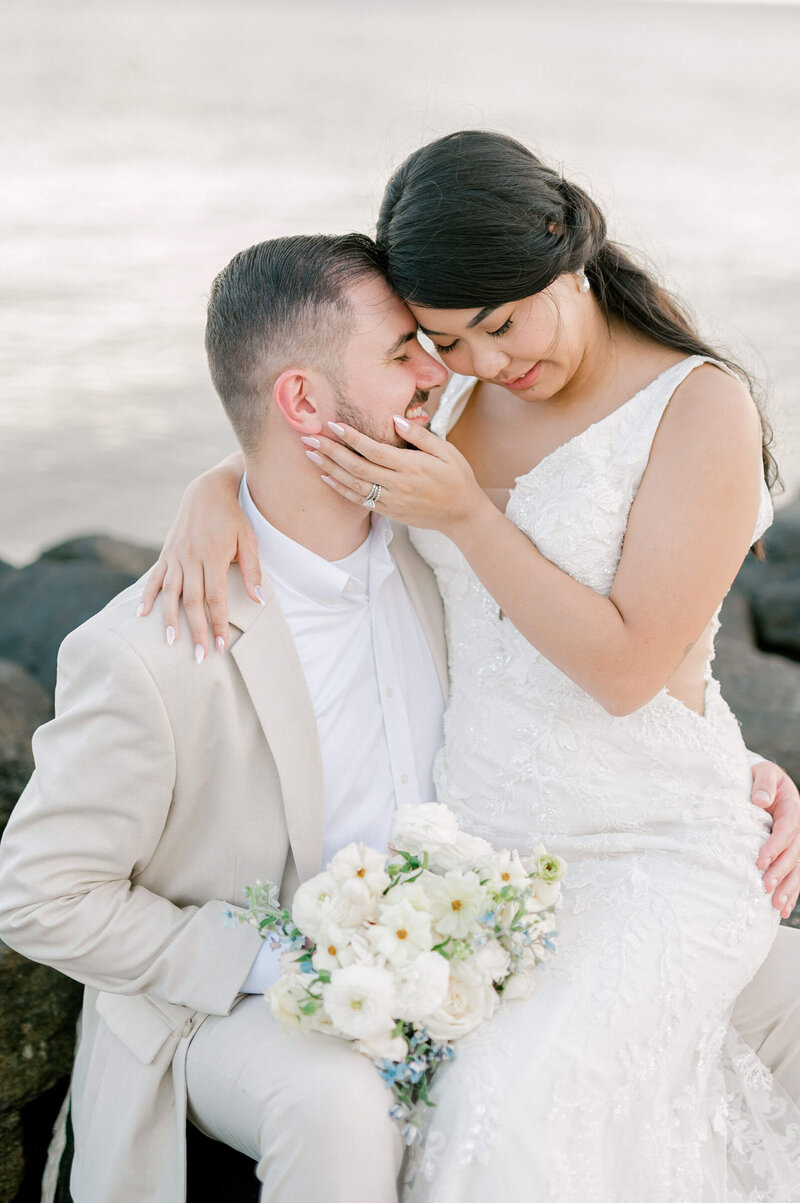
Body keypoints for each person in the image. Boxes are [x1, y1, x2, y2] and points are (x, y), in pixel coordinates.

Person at [141, 132, 800, 1199]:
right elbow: (303, 429)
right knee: (460, 1091)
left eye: (501, 323)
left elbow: (629, 667)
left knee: (517, 1106)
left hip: (650, 846)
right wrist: (209, 492)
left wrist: (465, 517)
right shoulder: (450, 399)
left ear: (566, 251)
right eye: (445, 341)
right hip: (482, 860)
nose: (489, 363)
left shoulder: (697, 407)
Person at [0, 233, 451, 1203]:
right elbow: (37, 890)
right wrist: (256, 957)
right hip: (221, 1012)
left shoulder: (447, 554)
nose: (437, 368)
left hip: (451, 958)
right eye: (403, 350)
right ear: (300, 400)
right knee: (339, 1102)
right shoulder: (149, 651)